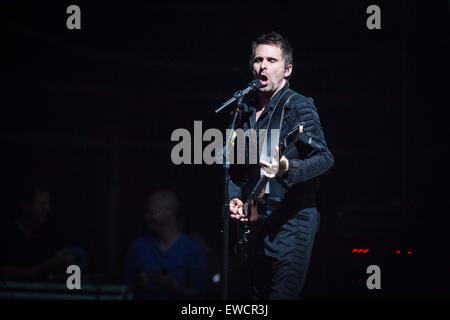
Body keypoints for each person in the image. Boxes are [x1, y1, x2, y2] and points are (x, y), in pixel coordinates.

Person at [228, 32, 334, 300]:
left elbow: (324, 158)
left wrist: (287, 166)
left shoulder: (297, 105)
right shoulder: (245, 111)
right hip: (258, 223)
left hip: (292, 221)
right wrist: (235, 200)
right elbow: (236, 169)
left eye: (272, 60)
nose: (263, 65)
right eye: (258, 59)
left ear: (287, 70)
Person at [124, 189, 207, 299]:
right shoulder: (138, 247)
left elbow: (201, 293)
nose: (147, 217)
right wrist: (139, 282)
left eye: (151, 212)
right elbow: (126, 288)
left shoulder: (193, 249)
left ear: (169, 211)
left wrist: (174, 286)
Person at [0, 182, 86, 281]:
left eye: (48, 203)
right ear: (25, 206)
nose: (47, 209)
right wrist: (48, 265)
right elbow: (6, 273)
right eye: (42, 204)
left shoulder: (45, 237)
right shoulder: (6, 236)